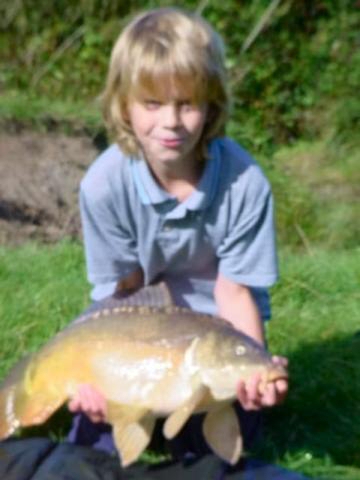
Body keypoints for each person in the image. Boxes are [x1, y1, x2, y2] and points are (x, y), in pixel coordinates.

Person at [68, 5, 288, 464]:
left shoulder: (245, 182)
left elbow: (235, 292)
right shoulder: (103, 184)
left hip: (216, 340)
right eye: (153, 104)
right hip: (143, 329)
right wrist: (101, 373)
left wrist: (255, 368)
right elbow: (121, 292)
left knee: (217, 451)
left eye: (187, 104)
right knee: (94, 438)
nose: (171, 121)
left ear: (211, 107)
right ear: (123, 106)